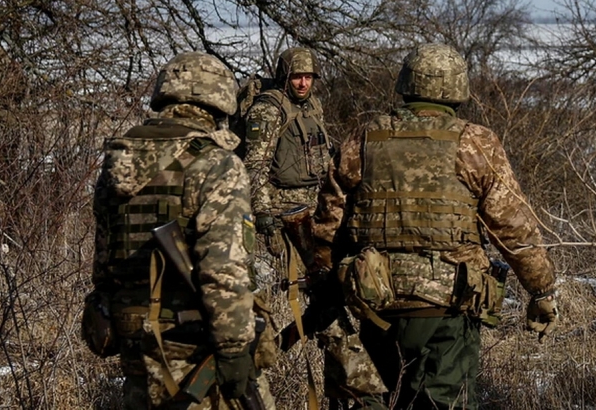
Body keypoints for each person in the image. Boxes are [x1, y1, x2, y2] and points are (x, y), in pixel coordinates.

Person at [313, 43, 559, 410]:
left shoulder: (363, 138)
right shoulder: (476, 142)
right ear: (458, 89)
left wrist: (327, 289)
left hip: (376, 302)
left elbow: (327, 224)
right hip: (447, 308)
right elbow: (514, 228)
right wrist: (541, 291)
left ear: (406, 83)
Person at [86, 51, 273, 409]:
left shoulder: (119, 161)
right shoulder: (214, 164)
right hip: (192, 343)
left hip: (132, 334)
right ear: (218, 100)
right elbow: (224, 270)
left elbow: (104, 266)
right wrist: (234, 349)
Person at [243, 46, 333, 251]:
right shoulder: (268, 109)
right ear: (285, 77)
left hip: (315, 206)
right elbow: (256, 164)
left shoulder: (314, 106)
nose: (303, 84)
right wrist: (262, 211)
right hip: (281, 210)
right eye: (297, 77)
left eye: (308, 77)